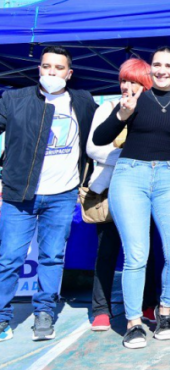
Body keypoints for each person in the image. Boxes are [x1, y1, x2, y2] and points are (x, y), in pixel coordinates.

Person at [92, 46, 170, 349]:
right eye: (157, 64)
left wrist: (165, 168)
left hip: (169, 178)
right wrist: (122, 115)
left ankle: (165, 310)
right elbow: (100, 138)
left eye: (169, 66)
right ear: (150, 69)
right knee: (137, 255)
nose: (162, 70)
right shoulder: (134, 100)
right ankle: (134, 322)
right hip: (130, 175)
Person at [0, 46, 98, 343]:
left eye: (58, 68)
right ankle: (2, 316)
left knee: (52, 257)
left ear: (69, 73)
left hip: (62, 194)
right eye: (46, 67)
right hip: (20, 194)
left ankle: (44, 312)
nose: (51, 72)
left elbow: (103, 133)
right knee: (10, 258)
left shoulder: (83, 101)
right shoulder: (14, 99)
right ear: (39, 69)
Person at [87, 58, 154, 332]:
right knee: (107, 250)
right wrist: (129, 158)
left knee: (143, 252)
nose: (128, 86)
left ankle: (146, 303)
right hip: (109, 192)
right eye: (125, 80)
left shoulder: (152, 110)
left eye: (135, 81)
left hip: (144, 192)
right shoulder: (106, 107)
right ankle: (102, 309)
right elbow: (94, 148)